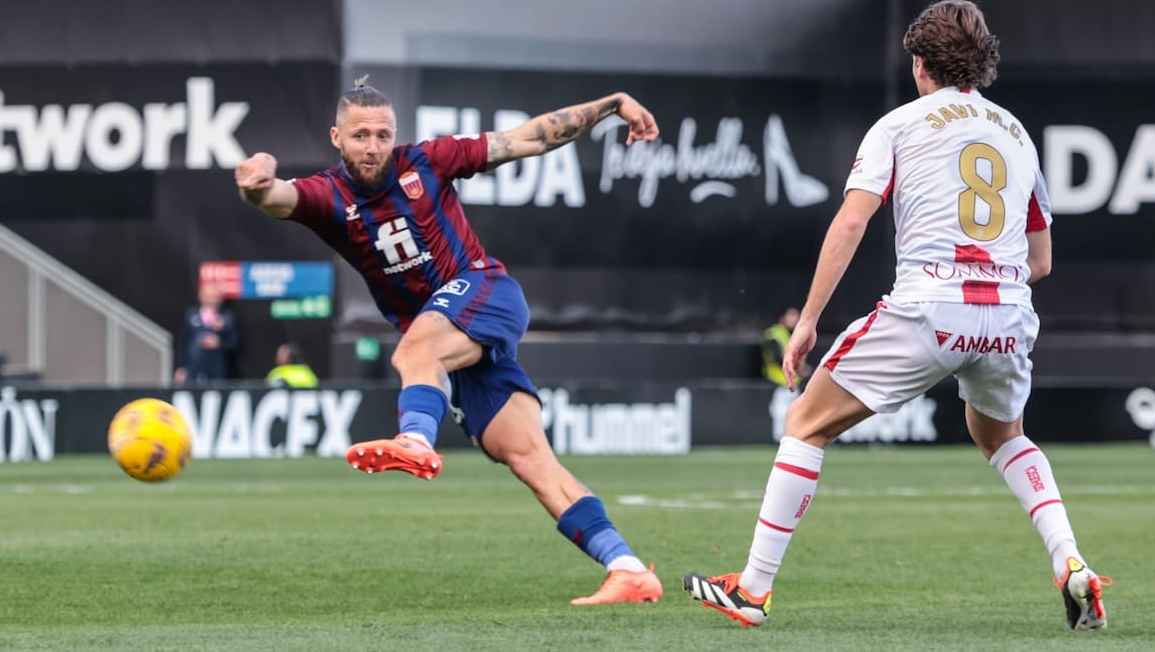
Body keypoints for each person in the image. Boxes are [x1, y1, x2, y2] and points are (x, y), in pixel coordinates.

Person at [683, 0, 1110, 631]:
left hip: (931, 305)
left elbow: (853, 219)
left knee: (804, 423)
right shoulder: (1016, 134)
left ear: (919, 63)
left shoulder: (899, 124)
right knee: (1004, 437)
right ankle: (1070, 559)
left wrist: (807, 321)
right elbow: (1040, 259)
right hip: (1008, 311)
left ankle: (751, 590)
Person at [233, 77, 663, 605]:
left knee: (412, 350)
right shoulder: (327, 196)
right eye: (361, 135)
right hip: (450, 346)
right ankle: (628, 568)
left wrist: (612, 104)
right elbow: (274, 197)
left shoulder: (430, 161)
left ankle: (416, 439)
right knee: (529, 459)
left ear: (396, 136)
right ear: (336, 139)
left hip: (486, 292)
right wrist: (255, 183)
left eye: (383, 134)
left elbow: (528, 137)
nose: (373, 146)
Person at [174, 282, 241, 385]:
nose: (212, 300)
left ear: (220, 298)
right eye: (209, 297)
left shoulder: (227, 317)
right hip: (193, 370)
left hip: (218, 371)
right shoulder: (191, 315)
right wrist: (180, 367)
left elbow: (235, 342)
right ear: (201, 296)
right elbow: (183, 342)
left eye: (215, 297)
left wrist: (220, 342)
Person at [760, 307, 807, 387]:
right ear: (782, 317)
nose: (794, 319)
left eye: (796, 316)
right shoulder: (774, 333)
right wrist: (798, 370)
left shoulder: (792, 335)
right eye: (791, 315)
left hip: (791, 382)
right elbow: (777, 358)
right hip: (777, 381)